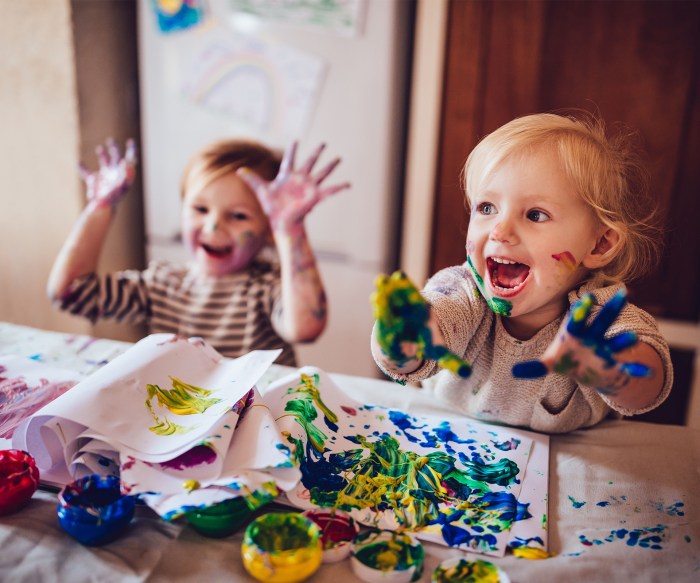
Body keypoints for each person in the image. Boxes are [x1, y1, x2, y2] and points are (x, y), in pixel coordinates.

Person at [371, 112, 672, 433]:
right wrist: (399, 342)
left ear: (599, 244)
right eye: (487, 208)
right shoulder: (463, 290)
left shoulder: (597, 318)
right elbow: (413, 353)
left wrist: (610, 371)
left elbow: (647, 389)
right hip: (446, 440)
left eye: (535, 214)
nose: (500, 231)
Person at [47, 137, 350, 366]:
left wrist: (290, 229)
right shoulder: (162, 284)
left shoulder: (266, 289)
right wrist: (100, 208)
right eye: (200, 209)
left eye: (239, 216)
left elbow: (306, 327)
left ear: (269, 231)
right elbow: (70, 293)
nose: (213, 226)